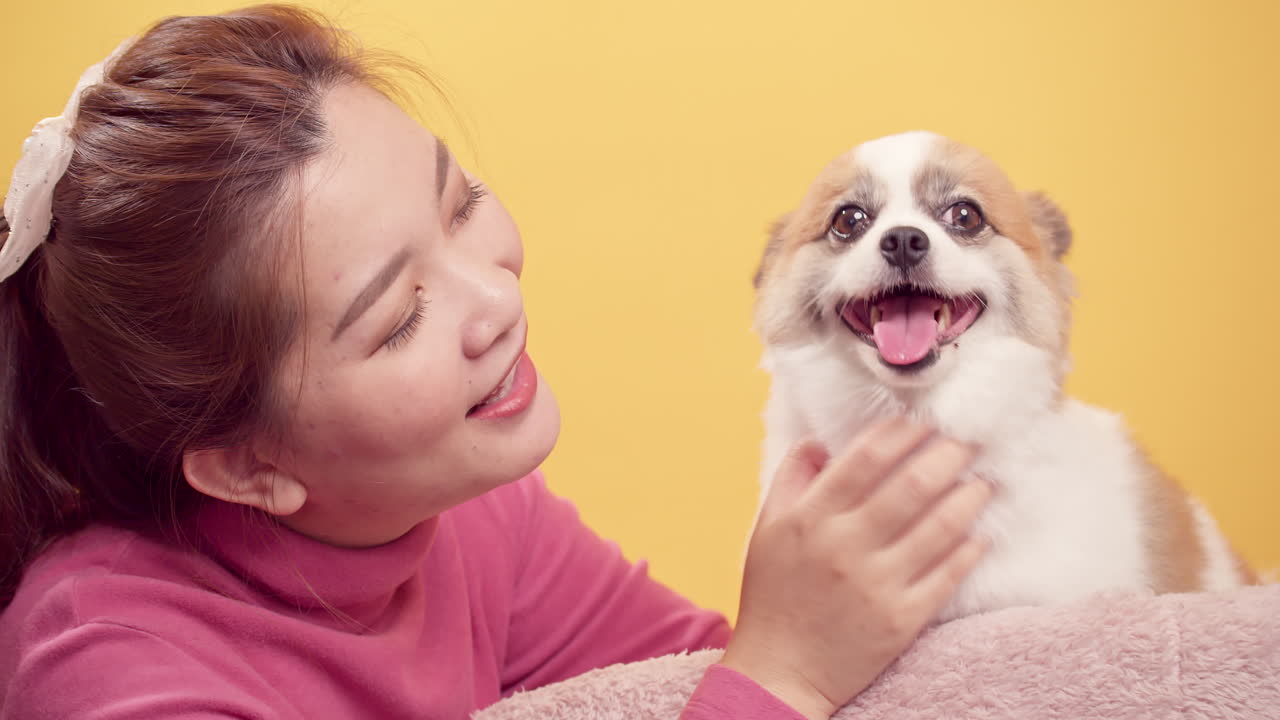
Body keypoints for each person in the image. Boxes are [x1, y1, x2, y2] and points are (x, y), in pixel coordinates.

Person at [0, 6, 992, 719]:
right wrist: (782, 678)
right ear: (245, 466)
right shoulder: (107, 671)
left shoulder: (475, 518)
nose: (496, 299)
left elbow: (685, 685)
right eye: (395, 319)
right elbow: (759, 686)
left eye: (462, 204)